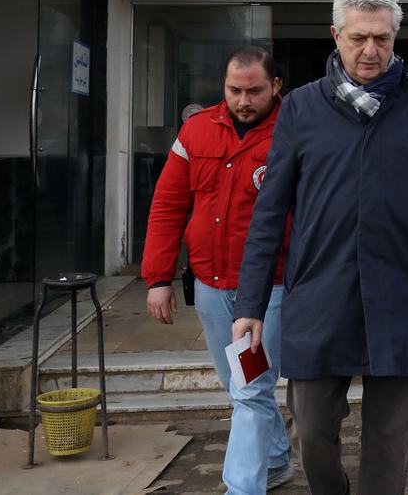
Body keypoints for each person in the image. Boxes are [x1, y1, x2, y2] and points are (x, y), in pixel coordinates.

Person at [232, 0, 408, 495]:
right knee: (311, 434)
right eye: (358, 38)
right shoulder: (300, 109)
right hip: (320, 298)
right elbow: (270, 212)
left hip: (400, 299)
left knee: (388, 441)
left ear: (395, 37)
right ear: (336, 35)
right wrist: (249, 304)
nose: (370, 51)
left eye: (381, 38)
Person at [140, 46, 294, 495]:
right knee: (240, 387)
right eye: (234, 90)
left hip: (271, 289)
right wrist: (158, 278)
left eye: (254, 91)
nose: (243, 101)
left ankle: (243, 487)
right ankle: (278, 460)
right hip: (210, 285)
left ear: (276, 86)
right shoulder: (196, 130)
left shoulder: (295, 131)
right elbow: (168, 205)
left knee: (251, 389)